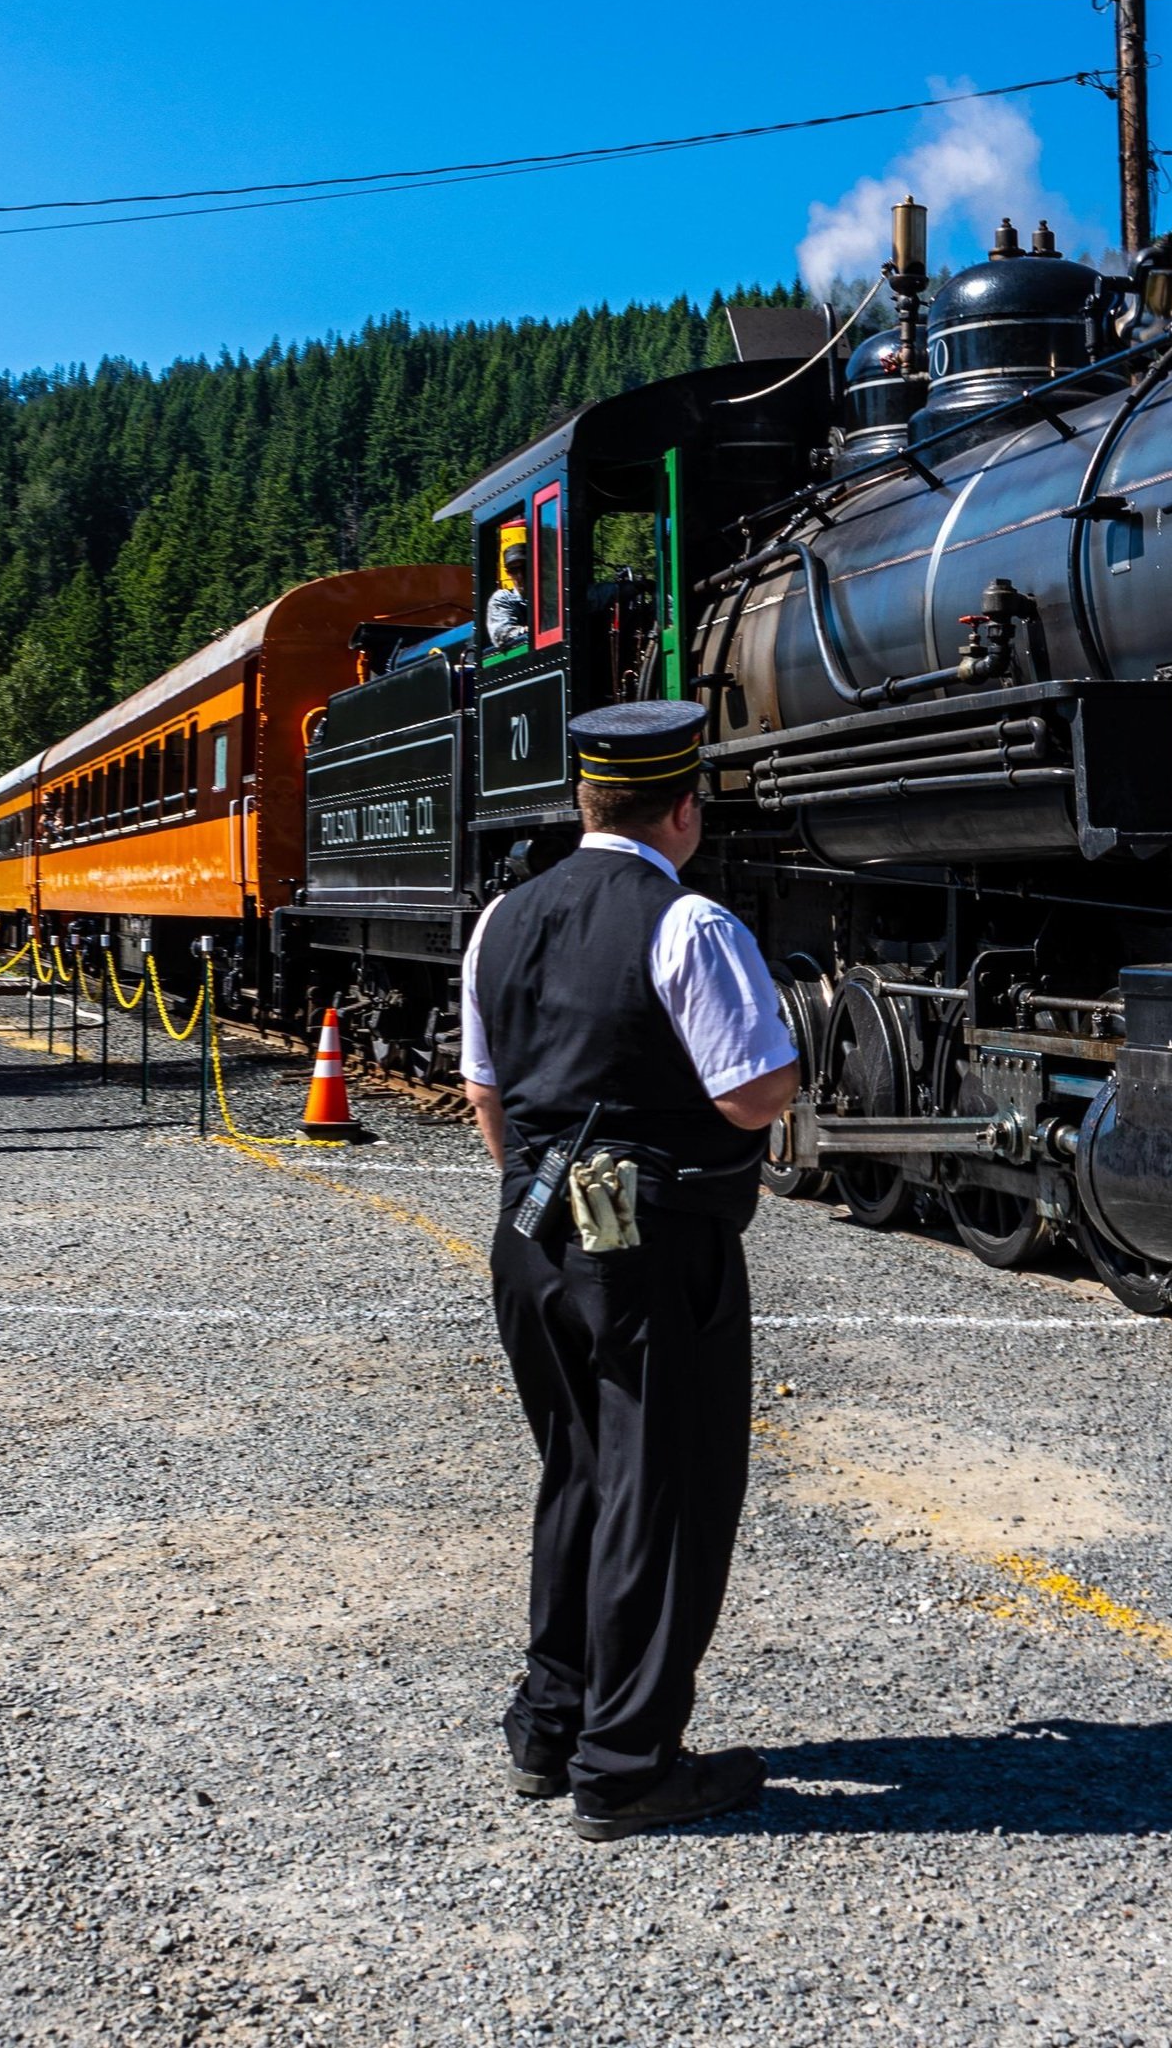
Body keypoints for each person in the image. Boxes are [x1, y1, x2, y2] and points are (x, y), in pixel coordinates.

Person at [459, 701, 799, 1841]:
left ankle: (548, 1724)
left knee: (579, 1472)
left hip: (531, 1235)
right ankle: (628, 1763)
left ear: (586, 800)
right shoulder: (688, 923)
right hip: (651, 1244)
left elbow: (485, 1097)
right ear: (684, 809)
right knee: (665, 1488)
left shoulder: (503, 916)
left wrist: (543, 1194)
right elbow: (753, 1091)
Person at [484, 541, 532, 652]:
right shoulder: (502, 599)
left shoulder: (550, 597)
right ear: (508, 573)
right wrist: (527, 630)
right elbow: (502, 634)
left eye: (524, 568)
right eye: (514, 571)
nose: (520, 576)